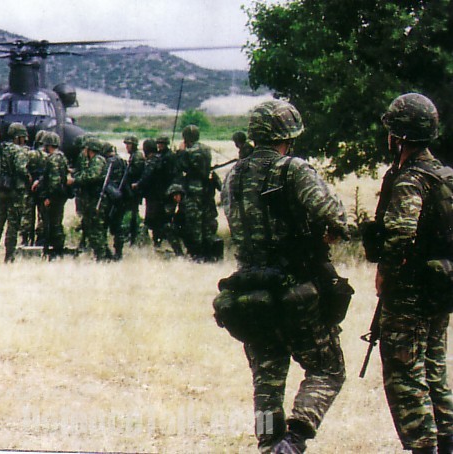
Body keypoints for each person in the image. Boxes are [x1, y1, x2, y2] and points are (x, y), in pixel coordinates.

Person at [217, 100, 350, 453]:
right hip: (296, 292)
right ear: (287, 137)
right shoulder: (293, 170)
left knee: (266, 384)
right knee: (328, 370)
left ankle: (268, 443)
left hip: (250, 294)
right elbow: (337, 217)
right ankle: (293, 440)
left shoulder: (233, 177)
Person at [370, 93, 453, 454]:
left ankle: (424, 447)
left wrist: (385, 275)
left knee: (406, 377)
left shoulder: (410, 180)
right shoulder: (445, 174)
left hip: (410, 294)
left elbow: (401, 234)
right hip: (439, 288)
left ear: (398, 137)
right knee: (434, 371)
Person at [0, 122, 29, 263]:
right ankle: (9, 256)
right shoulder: (18, 151)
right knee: (13, 225)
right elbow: (21, 169)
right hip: (15, 192)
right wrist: (28, 177)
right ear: (17, 137)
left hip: (0, 191)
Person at [177, 124, 218, 261]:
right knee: (206, 221)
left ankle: (197, 254)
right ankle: (210, 252)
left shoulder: (189, 152)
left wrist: (180, 152)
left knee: (194, 222)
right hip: (207, 189)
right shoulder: (206, 149)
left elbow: (183, 167)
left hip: (193, 190)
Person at [67, 137, 109, 261]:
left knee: (96, 229)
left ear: (90, 149)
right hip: (90, 199)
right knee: (91, 228)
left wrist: (75, 180)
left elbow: (92, 176)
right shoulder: (92, 160)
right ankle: (101, 255)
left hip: (96, 199)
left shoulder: (97, 160)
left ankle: (102, 257)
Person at [33, 131, 69, 259]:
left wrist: (49, 198)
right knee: (55, 223)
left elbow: (54, 182)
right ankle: (56, 250)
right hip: (59, 196)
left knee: (53, 224)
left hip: (55, 198)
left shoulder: (53, 159)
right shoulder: (61, 157)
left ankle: (55, 251)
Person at [21, 129, 47, 246]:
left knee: (27, 214)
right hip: (43, 189)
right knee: (42, 215)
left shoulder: (29, 154)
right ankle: (40, 239)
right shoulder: (49, 156)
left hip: (29, 188)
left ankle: (26, 239)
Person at [102, 142, 127, 261]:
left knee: (105, 225)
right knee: (118, 227)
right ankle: (118, 253)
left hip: (111, 197)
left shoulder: (109, 162)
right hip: (120, 196)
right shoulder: (122, 161)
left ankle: (107, 253)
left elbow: (105, 180)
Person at [123, 135, 145, 245]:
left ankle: (134, 236)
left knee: (133, 213)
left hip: (135, 190)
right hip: (132, 189)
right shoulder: (134, 156)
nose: (127, 146)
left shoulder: (138, 156)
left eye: (129, 144)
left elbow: (135, 172)